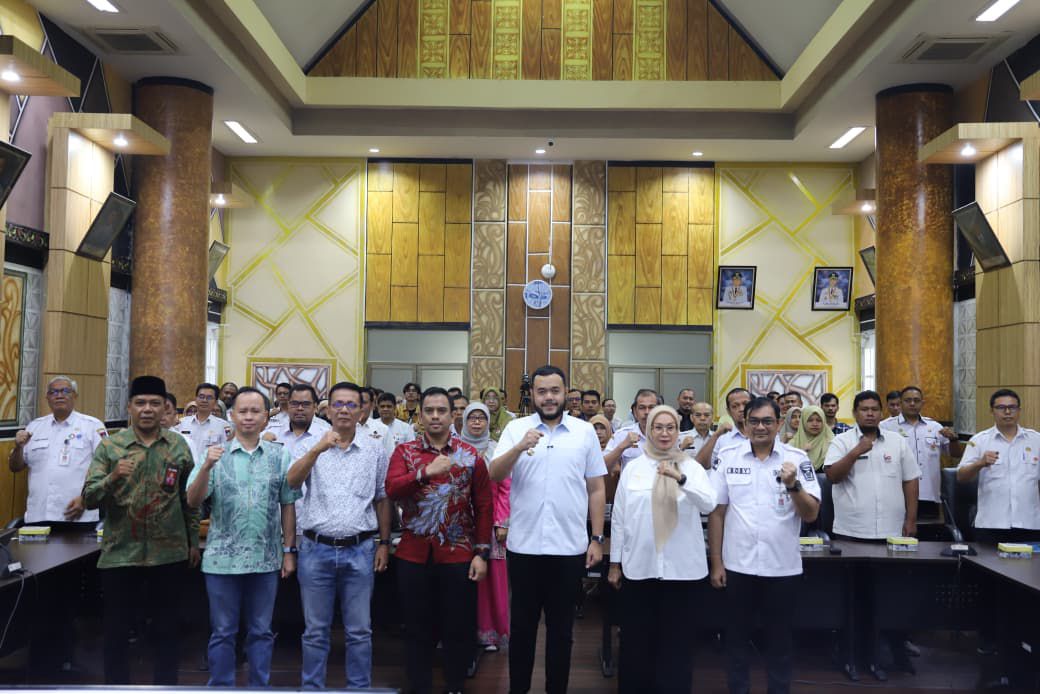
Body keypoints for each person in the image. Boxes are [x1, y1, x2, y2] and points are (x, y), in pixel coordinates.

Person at [489, 365, 607, 694]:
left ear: (566, 393)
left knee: (561, 631)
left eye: (555, 391)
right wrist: (518, 447)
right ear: (533, 395)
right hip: (524, 548)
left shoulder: (584, 432)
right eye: (542, 392)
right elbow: (494, 474)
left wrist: (596, 538)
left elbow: (596, 488)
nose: (549, 397)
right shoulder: (516, 428)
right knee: (522, 629)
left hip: (568, 550)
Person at [82, 375, 199, 685]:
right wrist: (113, 477)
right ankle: (116, 689)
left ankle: (166, 688)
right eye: (141, 403)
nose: (148, 409)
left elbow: (189, 499)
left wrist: (192, 541)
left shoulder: (178, 445)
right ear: (129, 407)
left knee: (167, 629)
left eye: (155, 403)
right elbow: (89, 496)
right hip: (121, 553)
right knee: (116, 630)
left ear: (165, 408)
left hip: (169, 553)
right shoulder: (111, 446)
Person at [186, 387, 300, 687]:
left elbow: (288, 504)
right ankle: (221, 687)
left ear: (266, 417)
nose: (249, 417)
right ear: (232, 416)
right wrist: (206, 467)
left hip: (266, 559)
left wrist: (289, 550)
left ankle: (259, 687)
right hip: (222, 561)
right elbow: (193, 501)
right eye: (243, 411)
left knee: (261, 631)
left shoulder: (279, 455)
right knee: (223, 631)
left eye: (255, 411)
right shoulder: (214, 454)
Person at [708, 396, 820, 694]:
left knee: (780, 642)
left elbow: (811, 513)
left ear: (779, 424)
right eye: (754, 421)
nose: (760, 427)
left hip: (782, 568)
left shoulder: (797, 459)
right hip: (738, 565)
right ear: (744, 424)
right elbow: (717, 513)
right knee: (736, 641)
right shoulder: (728, 457)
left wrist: (793, 485)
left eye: (767, 421)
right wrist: (716, 562)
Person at [287, 381, 392, 689]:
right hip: (315, 549)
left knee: (359, 631)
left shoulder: (374, 449)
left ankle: (359, 689)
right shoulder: (309, 445)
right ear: (328, 410)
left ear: (362, 411)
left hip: (360, 550)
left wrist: (384, 543)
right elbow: (292, 483)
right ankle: (312, 689)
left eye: (351, 405)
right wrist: (318, 449)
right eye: (338, 404)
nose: (344, 410)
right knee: (315, 631)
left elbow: (382, 498)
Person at [386, 389, 492, 693]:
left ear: (452, 415)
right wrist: (424, 473)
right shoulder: (404, 452)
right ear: (420, 415)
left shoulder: (470, 456)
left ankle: (455, 685)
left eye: (441, 411)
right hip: (413, 554)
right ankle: (419, 685)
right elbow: (392, 489)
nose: (435, 416)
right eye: (429, 411)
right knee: (416, 626)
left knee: (457, 626)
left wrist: (481, 553)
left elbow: (484, 505)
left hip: (458, 554)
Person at [608, 405, 716, 693]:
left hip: (682, 573)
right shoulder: (633, 469)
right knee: (636, 644)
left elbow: (709, 504)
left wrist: (681, 479)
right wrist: (615, 564)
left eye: (670, 427)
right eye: (658, 427)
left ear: (678, 431)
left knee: (677, 645)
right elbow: (619, 518)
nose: (664, 433)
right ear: (648, 430)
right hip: (640, 569)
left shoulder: (691, 467)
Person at [825, 390, 920, 679]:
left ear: (881, 413)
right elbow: (832, 476)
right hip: (852, 532)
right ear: (855, 413)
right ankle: (852, 655)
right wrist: (856, 451)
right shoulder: (842, 441)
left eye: (874, 409)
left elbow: (910, 480)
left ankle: (890, 654)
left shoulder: (897, 442)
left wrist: (911, 519)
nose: (869, 413)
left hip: (891, 532)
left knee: (890, 597)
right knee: (855, 598)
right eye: (864, 409)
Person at [10, 376, 105, 524]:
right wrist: (18, 447)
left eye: (65, 391)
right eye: (53, 392)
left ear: (75, 395)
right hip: (39, 516)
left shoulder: (92, 426)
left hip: (77, 516)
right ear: (47, 398)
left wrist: (85, 499)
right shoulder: (34, 427)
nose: (59, 395)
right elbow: (15, 467)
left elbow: (105, 467)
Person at [957, 389, 1040, 542]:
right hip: (991, 524)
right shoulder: (979, 440)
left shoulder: (1036, 440)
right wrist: (980, 463)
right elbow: (961, 476)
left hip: (1029, 523)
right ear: (992, 411)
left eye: (1012, 407)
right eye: (1001, 408)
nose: (1007, 412)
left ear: (1019, 410)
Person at [461, 402, 512, 652]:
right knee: (457, 577)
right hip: (460, 524)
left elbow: (505, 488)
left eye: (481, 418)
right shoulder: (454, 448)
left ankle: (489, 634)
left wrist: (501, 522)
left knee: (491, 579)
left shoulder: (497, 449)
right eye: (472, 418)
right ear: (464, 421)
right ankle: (457, 632)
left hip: (491, 523)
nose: (477, 422)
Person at [880, 386, 961, 518]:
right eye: (908, 400)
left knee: (928, 530)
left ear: (922, 403)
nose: (912, 404)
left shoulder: (934, 427)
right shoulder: (885, 427)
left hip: (929, 494)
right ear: (901, 403)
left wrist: (953, 440)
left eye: (916, 400)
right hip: (897, 494)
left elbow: (955, 454)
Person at [695, 388, 752, 471]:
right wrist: (716, 435)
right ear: (728, 411)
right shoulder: (722, 438)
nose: (741, 409)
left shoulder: (766, 434)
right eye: (735, 406)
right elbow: (700, 465)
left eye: (746, 404)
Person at [604, 389, 660, 473]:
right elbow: (602, 467)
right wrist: (621, 447)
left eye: (651, 407)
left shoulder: (670, 436)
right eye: (642, 408)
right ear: (635, 411)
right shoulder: (622, 435)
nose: (647, 412)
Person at [179, 382, 232, 465]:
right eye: (201, 397)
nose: (204, 400)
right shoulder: (182, 423)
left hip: (210, 470)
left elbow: (227, 453)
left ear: (215, 402)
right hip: (186, 469)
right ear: (196, 399)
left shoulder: (223, 426)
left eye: (209, 397)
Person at [370, 391, 417, 457]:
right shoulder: (371, 426)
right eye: (382, 406)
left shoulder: (405, 428)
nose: (385, 409)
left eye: (389, 406)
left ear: (395, 407)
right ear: (378, 408)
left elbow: (411, 450)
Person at [789, 405, 834, 471]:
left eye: (819, 420)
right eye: (810, 420)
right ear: (803, 421)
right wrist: (802, 452)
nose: (815, 424)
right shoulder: (792, 444)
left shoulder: (832, 443)